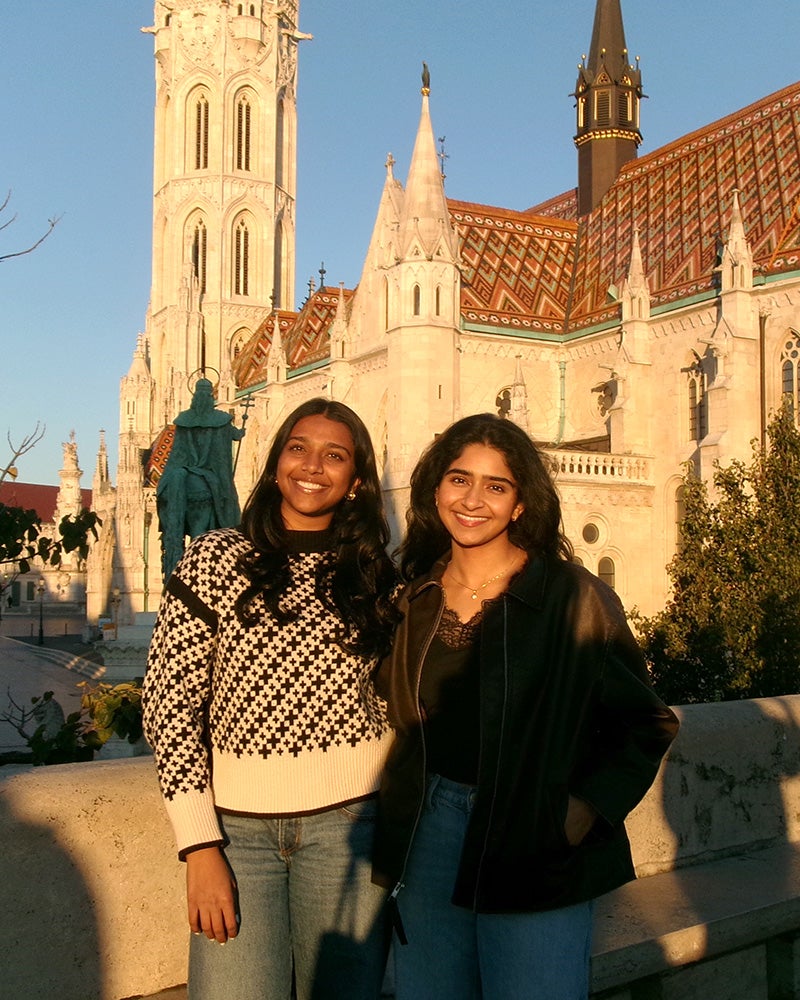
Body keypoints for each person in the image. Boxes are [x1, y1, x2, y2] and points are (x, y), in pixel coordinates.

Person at [372, 413, 679, 1000]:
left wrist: (583, 808)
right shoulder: (415, 599)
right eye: (459, 479)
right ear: (435, 488)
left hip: (534, 834)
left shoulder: (574, 597)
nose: (473, 500)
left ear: (519, 505)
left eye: (496, 485)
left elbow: (645, 722)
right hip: (428, 831)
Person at [143, 398, 399, 1000]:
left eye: (335, 455)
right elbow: (168, 704)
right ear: (275, 461)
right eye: (298, 447)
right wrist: (199, 845)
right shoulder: (214, 558)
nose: (313, 466)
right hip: (237, 838)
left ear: (357, 479)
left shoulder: (376, 574)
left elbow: (396, 702)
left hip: (351, 831)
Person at [156, 377, 246, 579]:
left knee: (167, 488)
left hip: (183, 470)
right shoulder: (221, 419)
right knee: (227, 499)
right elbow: (233, 435)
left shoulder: (184, 419)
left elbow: (177, 453)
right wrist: (240, 433)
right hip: (210, 475)